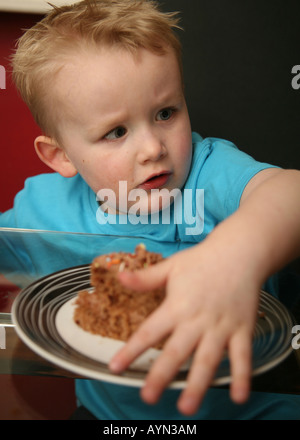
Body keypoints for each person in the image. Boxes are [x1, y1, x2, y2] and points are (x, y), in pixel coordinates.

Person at [1, 0, 300, 419]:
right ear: (61, 156)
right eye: (116, 131)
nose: (153, 148)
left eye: (166, 113)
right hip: (109, 416)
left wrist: (235, 254)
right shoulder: (41, 209)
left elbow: (291, 192)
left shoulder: (209, 170)